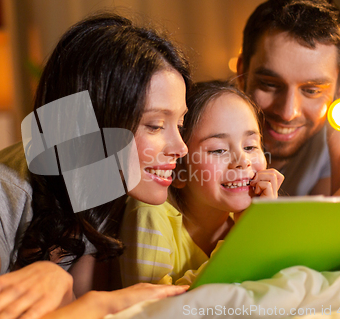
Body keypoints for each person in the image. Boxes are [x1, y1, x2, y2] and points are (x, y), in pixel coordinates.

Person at [0, 13, 192, 319]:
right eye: (155, 125)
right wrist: (95, 303)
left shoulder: (107, 185)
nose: (180, 147)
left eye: (180, 124)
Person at [119, 80, 283, 287]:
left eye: (250, 146)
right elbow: (153, 309)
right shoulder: (149, 215)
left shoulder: (252, 218)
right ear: (178, 170)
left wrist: (261, 225)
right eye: (218, 150)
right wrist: (244, 242)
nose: (243, 161)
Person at [236, 0, 340, 196]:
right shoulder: (193, 140)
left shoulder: (334, 146)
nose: (288, 112)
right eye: (270, 84)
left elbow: (335, 225)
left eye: (311, 90)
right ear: (241, 72)